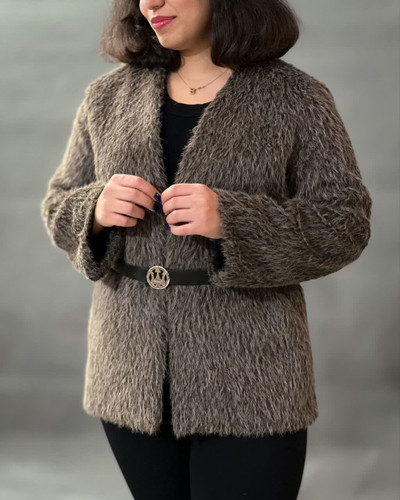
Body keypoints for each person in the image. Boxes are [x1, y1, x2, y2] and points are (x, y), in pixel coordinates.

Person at [40, 0, 372, 499]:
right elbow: (58, 204)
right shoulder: (107, 97)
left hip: (253, 378)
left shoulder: (296, 98)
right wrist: (95, 209)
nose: (151, 2)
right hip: (128, 375)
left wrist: (234, 221)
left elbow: (345, 222)